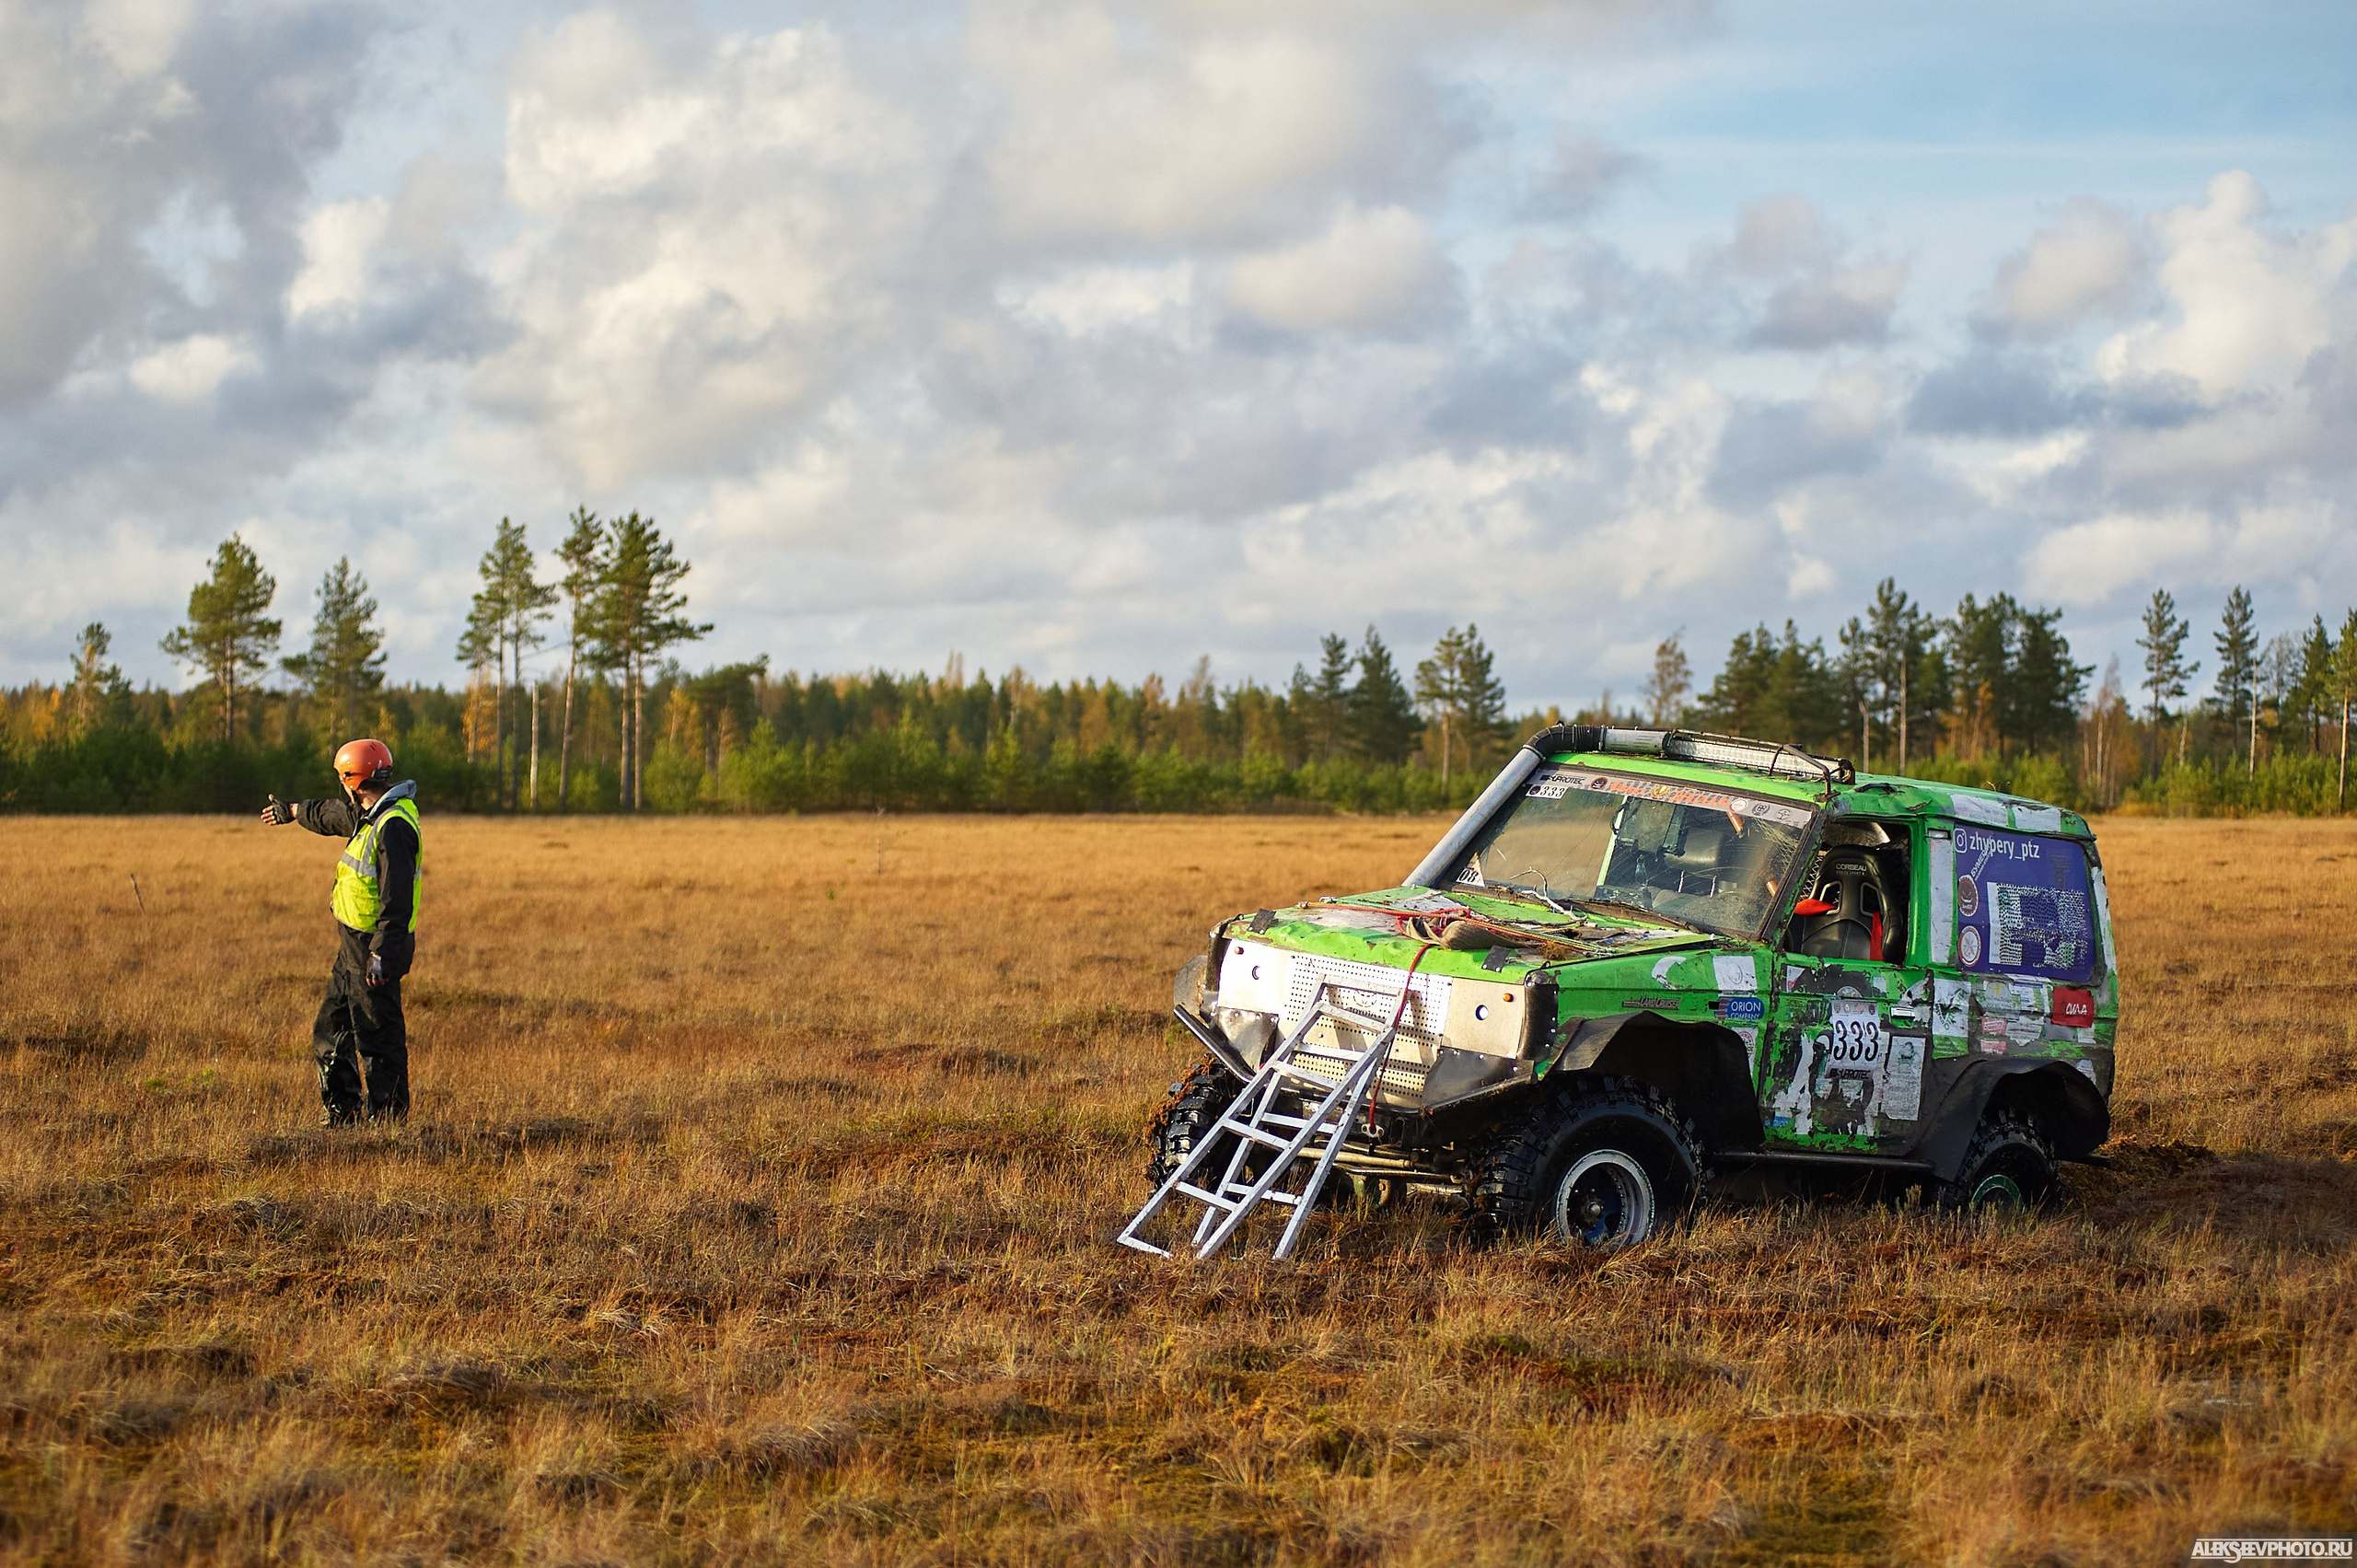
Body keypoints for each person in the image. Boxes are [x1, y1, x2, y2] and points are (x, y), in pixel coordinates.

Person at [260, 738, 421, 1125]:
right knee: (330, 1033)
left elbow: (396, 900)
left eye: (341, 778)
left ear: (353, 780)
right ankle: (343, 1118)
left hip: (373, 949)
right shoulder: (371, 812)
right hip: (351, 949)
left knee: (378, 1039)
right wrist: (293, 811)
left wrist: (381, 954)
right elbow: (331, 814)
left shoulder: (393, 826)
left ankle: (388, 1126)